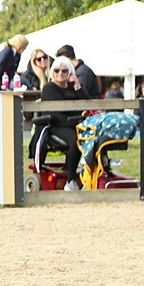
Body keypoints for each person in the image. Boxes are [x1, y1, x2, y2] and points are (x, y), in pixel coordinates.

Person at [39, 55, 89, 190]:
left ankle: (92, 175)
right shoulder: (49, 88)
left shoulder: (72, 87)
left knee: (94, 137)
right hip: (57, 126)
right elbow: (55, 115)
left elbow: (89, 103)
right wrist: (76, 120)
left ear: (70, 72)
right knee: (75, 140)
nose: (60, 73)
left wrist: (78, 87)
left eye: (64, 71)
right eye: (56, 70)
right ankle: (71, 179)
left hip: (77, 124)